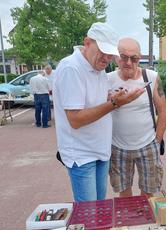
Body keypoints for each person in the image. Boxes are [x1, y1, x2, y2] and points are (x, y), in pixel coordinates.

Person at [53, 23, 144, 202]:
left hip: (100, 150)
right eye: (102, 51)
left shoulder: (98, 68)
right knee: (89, 213)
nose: (107, 58)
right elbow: (75, 119)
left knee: (98, 208)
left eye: (110, 54)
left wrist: (113, 96)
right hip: (82, 153)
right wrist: (115, 103)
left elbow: (95, 101)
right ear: (87, 43)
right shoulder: (72, 68)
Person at [108, 38, 166, 198]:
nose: (128, 62)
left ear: (139, 58)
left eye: (134, 58)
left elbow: (163, 111)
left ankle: (146, 220)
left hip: (148, 145)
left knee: (149, 192)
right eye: (123, 57)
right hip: (117, 147)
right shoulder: (107, 79)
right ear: (116, 57)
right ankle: (128, 221)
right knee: (123, 192)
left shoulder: (151, 77)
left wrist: (157, 140)